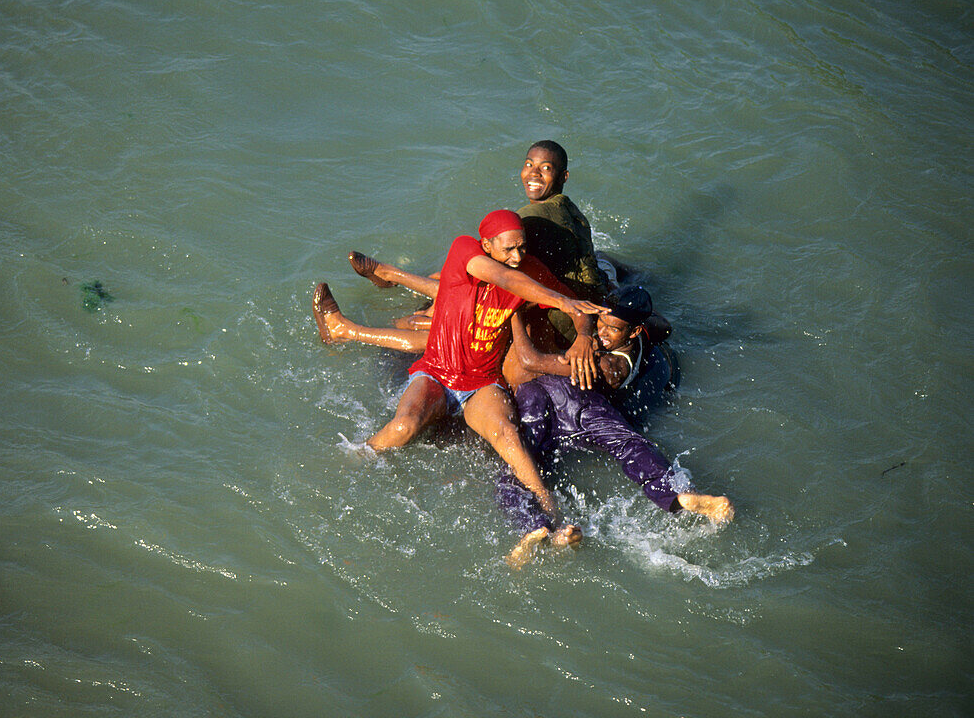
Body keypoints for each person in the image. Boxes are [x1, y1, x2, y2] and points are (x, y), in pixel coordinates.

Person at [314, 210, 610, 562]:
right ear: (486, 245)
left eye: (522, 249)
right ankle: (343, 465)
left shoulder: (529, 270)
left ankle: (555, 522)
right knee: (404, 425)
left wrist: (583, 335)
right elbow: (505, 278)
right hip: (437, 371)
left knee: (508, 435)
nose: (517, 258)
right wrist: (559, 300)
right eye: (509, 250)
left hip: (481, 382)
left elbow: (579, 308)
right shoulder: (464, 250)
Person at [497, 285, 734, 568]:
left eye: (613, 329)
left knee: (516, 466)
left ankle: (533, 526)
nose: (604, 332)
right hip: (588, 412)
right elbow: (663, 327)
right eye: (602, 323)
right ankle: (680, 494)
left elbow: (529, 361)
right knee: (631, 445)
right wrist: (587, 333)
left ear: (633, 332)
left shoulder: (609, 365)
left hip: (544, 397)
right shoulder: (642, 335)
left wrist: (514, 313)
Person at [347, 140, 672, 344]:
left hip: (562, 319)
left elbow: (483, 266)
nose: (533, 173)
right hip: (580, 292)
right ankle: (388, 278)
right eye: (529, 164)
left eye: (546, 168)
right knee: (473, 265)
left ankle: (387, 281)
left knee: (445, 299)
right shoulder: (567, 207)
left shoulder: (531, 218)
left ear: (563, 176)